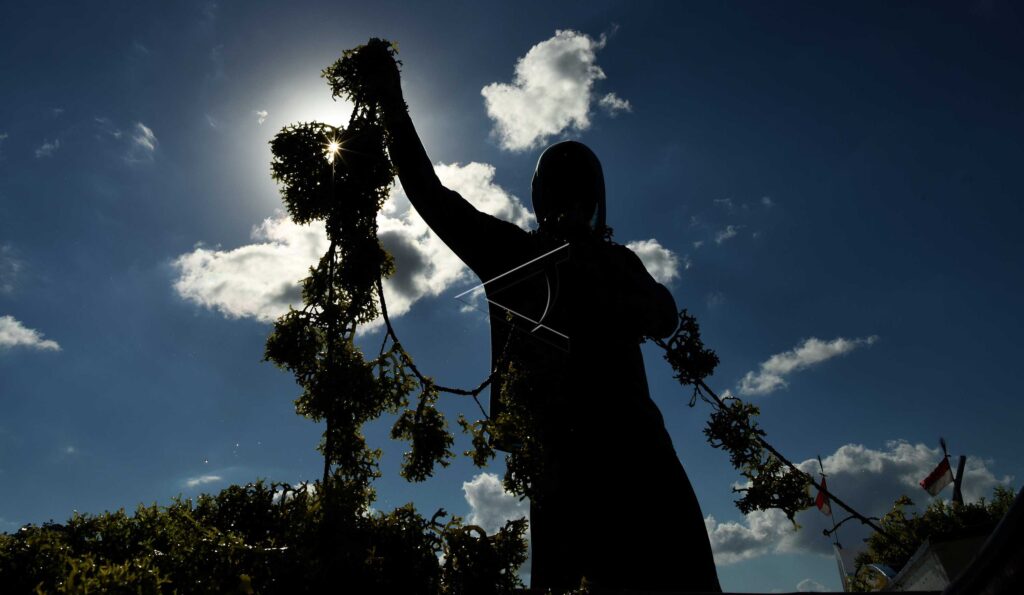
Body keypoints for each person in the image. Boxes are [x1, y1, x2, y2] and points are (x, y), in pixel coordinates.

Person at [362, 45, 721, 593]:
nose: (571, 210)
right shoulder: (514, 255)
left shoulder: (618, 262)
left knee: (684, 578)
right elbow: (432, 196)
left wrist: (604, 282)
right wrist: (393, 105)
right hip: (565, 459)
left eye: (579, 200)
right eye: (563, 199)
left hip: (640, 455)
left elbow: (664, 313)